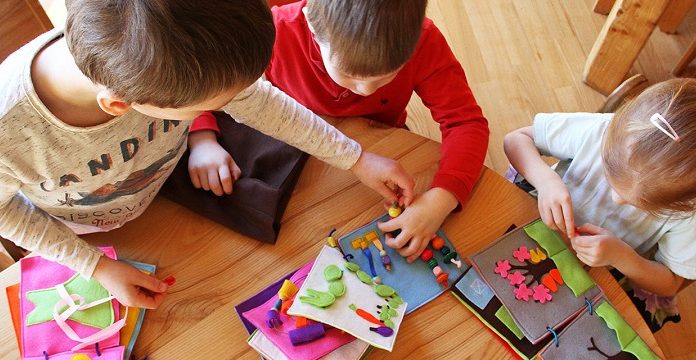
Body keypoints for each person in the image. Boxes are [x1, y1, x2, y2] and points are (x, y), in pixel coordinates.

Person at [0, 0, 413, 309]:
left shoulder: (160, 61)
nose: (234, 106)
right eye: (208, 109)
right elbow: (4, 212)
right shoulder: (9, 132)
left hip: (166, 186)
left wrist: (355, 159)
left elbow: (259, 103)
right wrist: (97, 267)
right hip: (94, 234)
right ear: (119, 105)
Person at [189, 0, 489, 262]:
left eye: (388, 76)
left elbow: (466, 123)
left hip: (381, 145)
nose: (366, 90)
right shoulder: (276, 31)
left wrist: (441, 199)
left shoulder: (425, 41)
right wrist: (202, 135)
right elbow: (207, 80)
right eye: (350, 75)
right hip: (292, 155)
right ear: (313, 28)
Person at [504, 78, 696, 330]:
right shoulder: (600, 131)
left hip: (607, 265)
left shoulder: (688, 211)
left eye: (639, 204)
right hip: (533, 210)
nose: (617, 199)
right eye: (609, 175)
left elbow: (670, 282)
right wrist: (546, 181)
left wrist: (620, 256)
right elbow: (515, 139)